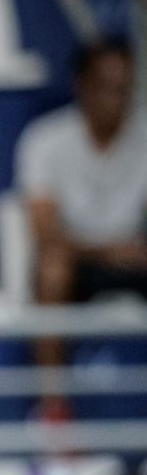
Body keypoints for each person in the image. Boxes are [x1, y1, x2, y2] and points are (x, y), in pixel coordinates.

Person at [15, 38, 147, 417]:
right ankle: (53, 405)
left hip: (132, 259)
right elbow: (45, 234)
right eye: (107, 87)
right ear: (83, 86)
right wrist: (109, 251)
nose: (117, 100)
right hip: (78, 262)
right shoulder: (45, 139)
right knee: (52, 267)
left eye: (125, 89)